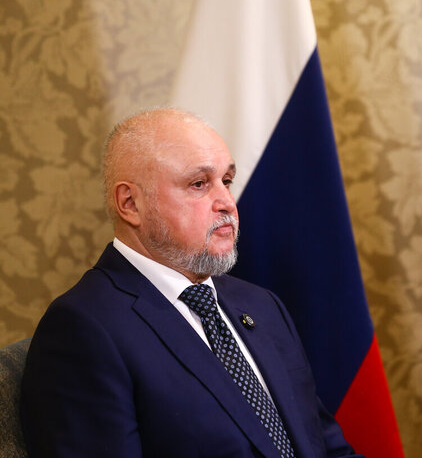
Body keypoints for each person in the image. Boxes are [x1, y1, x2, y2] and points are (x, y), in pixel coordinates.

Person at [20, 108, 363, 458]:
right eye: (199, 184)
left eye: (226, 181)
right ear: (130, 203)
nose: (227, 203)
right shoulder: (83, 327)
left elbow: (326, 447)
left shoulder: (261, 304)